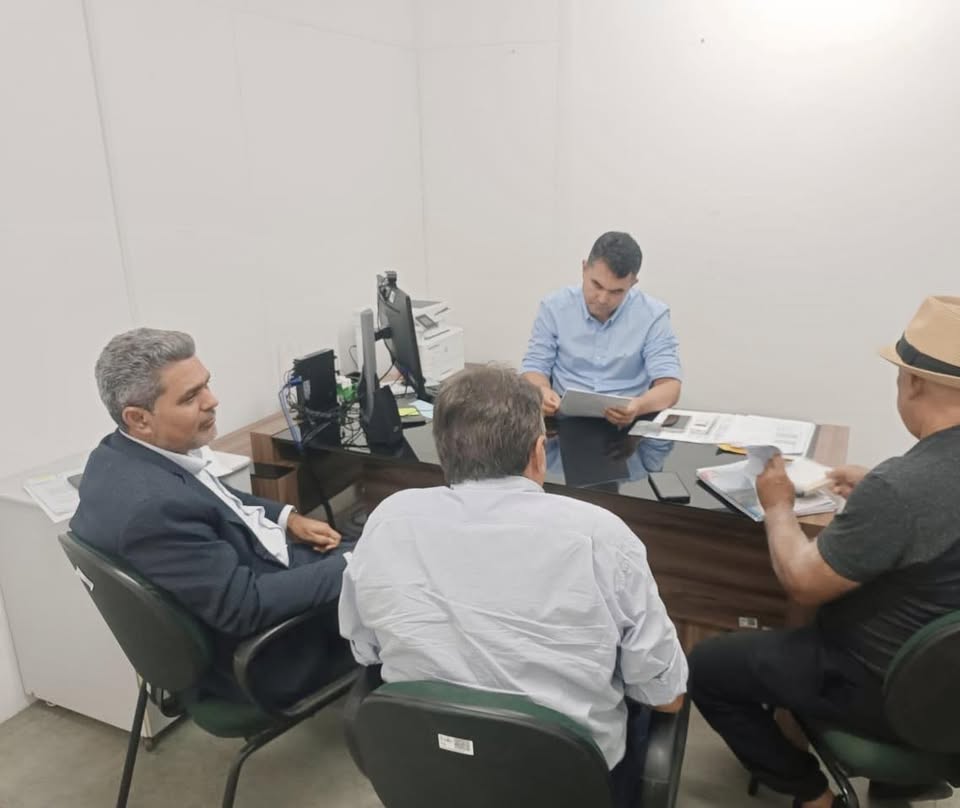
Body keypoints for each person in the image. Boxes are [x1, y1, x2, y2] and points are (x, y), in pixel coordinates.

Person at [689, 296, 960, 808]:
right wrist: (876, 489)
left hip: (888, 690)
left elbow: (802, 580)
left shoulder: (904, 487)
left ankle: (813, 795)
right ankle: (900, 786)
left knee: (708, 667)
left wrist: (778, 505)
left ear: (912, 382)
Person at [339, 365, 688, 807]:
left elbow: (365, 650)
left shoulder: (389, 519)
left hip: (429, 773)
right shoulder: (601, 536)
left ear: (444, 453)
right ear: (539, 452)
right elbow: (666, 696)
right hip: (567, 786)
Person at [71, 328, 356, 705]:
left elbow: (214, 497)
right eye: (191, 397)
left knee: (379, 549)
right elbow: (245, 608)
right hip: (275, 656)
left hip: (253, 571)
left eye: (206, 384)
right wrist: (356, 564)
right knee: (408, 575)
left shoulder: (118, 455)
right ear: (139, 418)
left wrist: (286, 517)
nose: (212, 400)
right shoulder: (154, 510)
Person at [521, 231, 682, 427]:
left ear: (633, 283)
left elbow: (670, 386)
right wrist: (542, 391)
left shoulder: (653, 315)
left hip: (630, 418)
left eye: (616, 291)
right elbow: (534, 367)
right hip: (565, 418)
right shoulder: (554, 307)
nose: (603, 299)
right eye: (596, 285)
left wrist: (639, 406)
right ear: (584, 269)